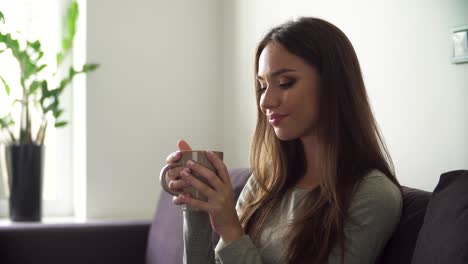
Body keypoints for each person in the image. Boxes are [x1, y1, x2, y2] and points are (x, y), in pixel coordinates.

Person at [165, 17, 402, 264]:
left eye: (285, 83)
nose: (265, 102)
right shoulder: (265, 181)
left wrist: (231, 229)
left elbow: (234, 242)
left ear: (333, 84)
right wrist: (196, 206)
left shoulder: (372, 195)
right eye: (262, 86)